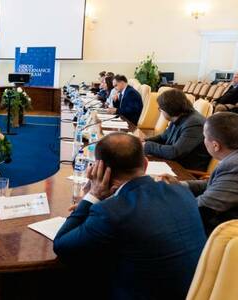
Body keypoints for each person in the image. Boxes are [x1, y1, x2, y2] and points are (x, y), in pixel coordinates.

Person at [54, 133, 206, 299]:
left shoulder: (111, 212)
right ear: (146, 164)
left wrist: (93, 196)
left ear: (101, 170)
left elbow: (63, 246)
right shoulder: (181, 191)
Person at [160, 112, 238, 235]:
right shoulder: (232, 160)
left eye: (205, 137)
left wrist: (160, 210)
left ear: (215, 145)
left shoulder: (233, 166)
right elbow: (215, 185)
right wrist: (181, 185)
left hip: (222, 235)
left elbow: (203, 208)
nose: (203, 141)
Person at [142, 89, 211, 171]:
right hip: (174, 164)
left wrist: (147, 145)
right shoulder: (179, 116)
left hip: (186, 171)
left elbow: (175, 152)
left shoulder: (194, 124)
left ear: (168, 109)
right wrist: (143, 141)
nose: (160, 111)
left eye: (160, 109)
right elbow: (163, 137)